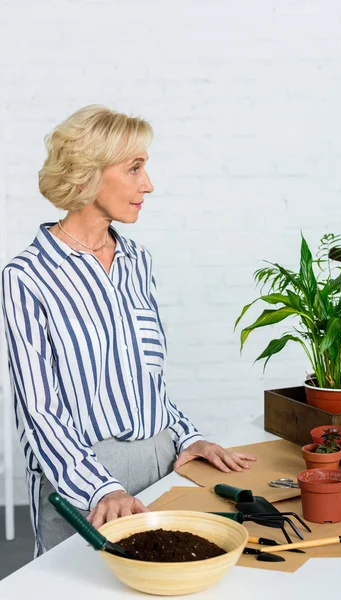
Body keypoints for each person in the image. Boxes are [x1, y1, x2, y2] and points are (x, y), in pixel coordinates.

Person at [1, 105, 256, 556]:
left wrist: (188, 437)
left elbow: (147, 381)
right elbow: (39, 411)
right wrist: (102, 490)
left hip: (162, 463)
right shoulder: (27, 276)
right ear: (87, 174)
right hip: (84, 480)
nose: (149, 184)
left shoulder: (138, 261)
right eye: (134, 168)